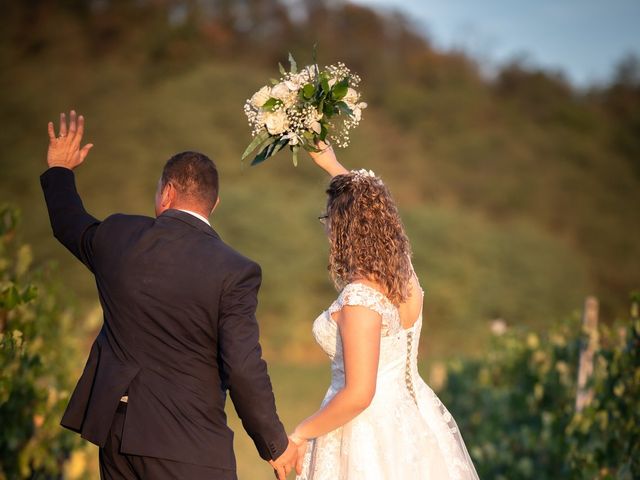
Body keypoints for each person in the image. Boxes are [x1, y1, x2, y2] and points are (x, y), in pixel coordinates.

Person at [40, 111, 298, 480]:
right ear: (215, 204)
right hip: (188, 446)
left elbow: (68, 222)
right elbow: (243, 366)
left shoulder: (118, 236)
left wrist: (59, 170)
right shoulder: (235, 270)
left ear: (167, 192)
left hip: (116, 439)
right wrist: (276, 444)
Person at [288, 142, 480, 479]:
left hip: (365, 435)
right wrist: (333, 165)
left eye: (329, 219)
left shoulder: (361, 298)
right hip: (413, 424)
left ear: (344, 229)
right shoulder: (405, 278)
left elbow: (359, 394)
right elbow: (373, 209)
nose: (326, 227)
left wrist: (301, 433)